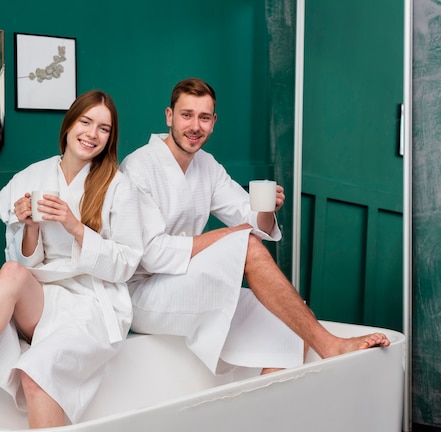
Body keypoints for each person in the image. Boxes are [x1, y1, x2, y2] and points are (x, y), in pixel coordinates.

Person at [0, 90, 144, 428]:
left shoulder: (119, 186)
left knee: (37, 374)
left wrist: (75, 226)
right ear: (69, 124)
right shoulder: (33, 176)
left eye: (103, 129)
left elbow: (125, 265)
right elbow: (27, 265)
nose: (92, 134)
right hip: (44, 297)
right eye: (86, 122)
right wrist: (28, 227)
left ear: (110, 137)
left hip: (92, 301)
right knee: (12, 270)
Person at [120, 78, 389, 375]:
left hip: (186, 278)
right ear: (169, 116)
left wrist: (264, 209)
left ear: (214, 122)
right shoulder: (138, 167)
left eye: (204, 117)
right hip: (144, 295)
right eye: (187, 115)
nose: (195, 126)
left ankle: (261, 412)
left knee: (295, 322)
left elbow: (250, 221)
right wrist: (229, 234)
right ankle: (329, 344)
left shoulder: (206, 165)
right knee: (246, 245)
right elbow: (152, 254)